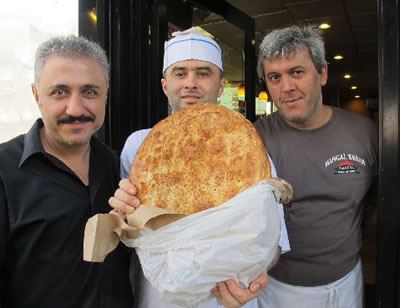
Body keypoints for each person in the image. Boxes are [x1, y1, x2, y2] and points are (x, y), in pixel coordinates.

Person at [109, 28, 290, 308]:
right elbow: (131, 234)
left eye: (203, 73)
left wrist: (259, 264)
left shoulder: (247, 149)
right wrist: (122, 214)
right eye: (179, 73)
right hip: (160, 297)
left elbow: (274, 243)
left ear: (220, 86)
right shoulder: (140, 146)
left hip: (227, 296)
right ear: (164, 84)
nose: (190, 83)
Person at [0, 36, 133, 308]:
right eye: (59, 92)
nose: (75, 109)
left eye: (89, 92)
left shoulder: (119, 167)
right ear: (37, 95)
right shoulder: (4, 171)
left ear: (106, 92)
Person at [254, 24, 378, 307]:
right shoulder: (254, 139)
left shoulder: (364, 131)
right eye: (274, 77)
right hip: (277, 288)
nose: (286, 87)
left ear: (322, 73)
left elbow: (377, 203)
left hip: (348, 281)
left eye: (297, 72)